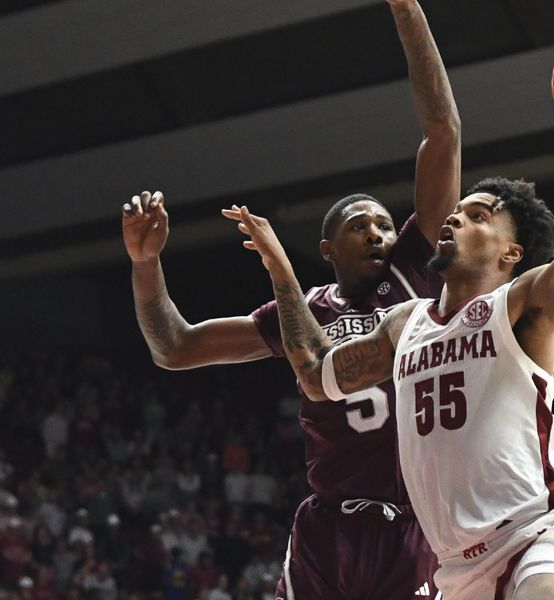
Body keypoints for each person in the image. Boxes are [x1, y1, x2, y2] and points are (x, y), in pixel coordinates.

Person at [229, 42, 554, 600]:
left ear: (511, 254)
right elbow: (316, 374)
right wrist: (281, 271)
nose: (455, 216)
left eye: (478, 215)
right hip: (453, 570)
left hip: (540, 538)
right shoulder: (405, 324)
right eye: (457, 210)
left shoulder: (519, 307)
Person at [121, 0, 459, 597]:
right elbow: (174, 347)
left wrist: (407, 10)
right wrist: (146, 265)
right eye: (361, 225)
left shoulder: (415, 268)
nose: (380, 233)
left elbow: (443, 132)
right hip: (327, 527)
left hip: (413, 524)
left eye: (385, 223)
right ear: (326, 248)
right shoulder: (300, 314)